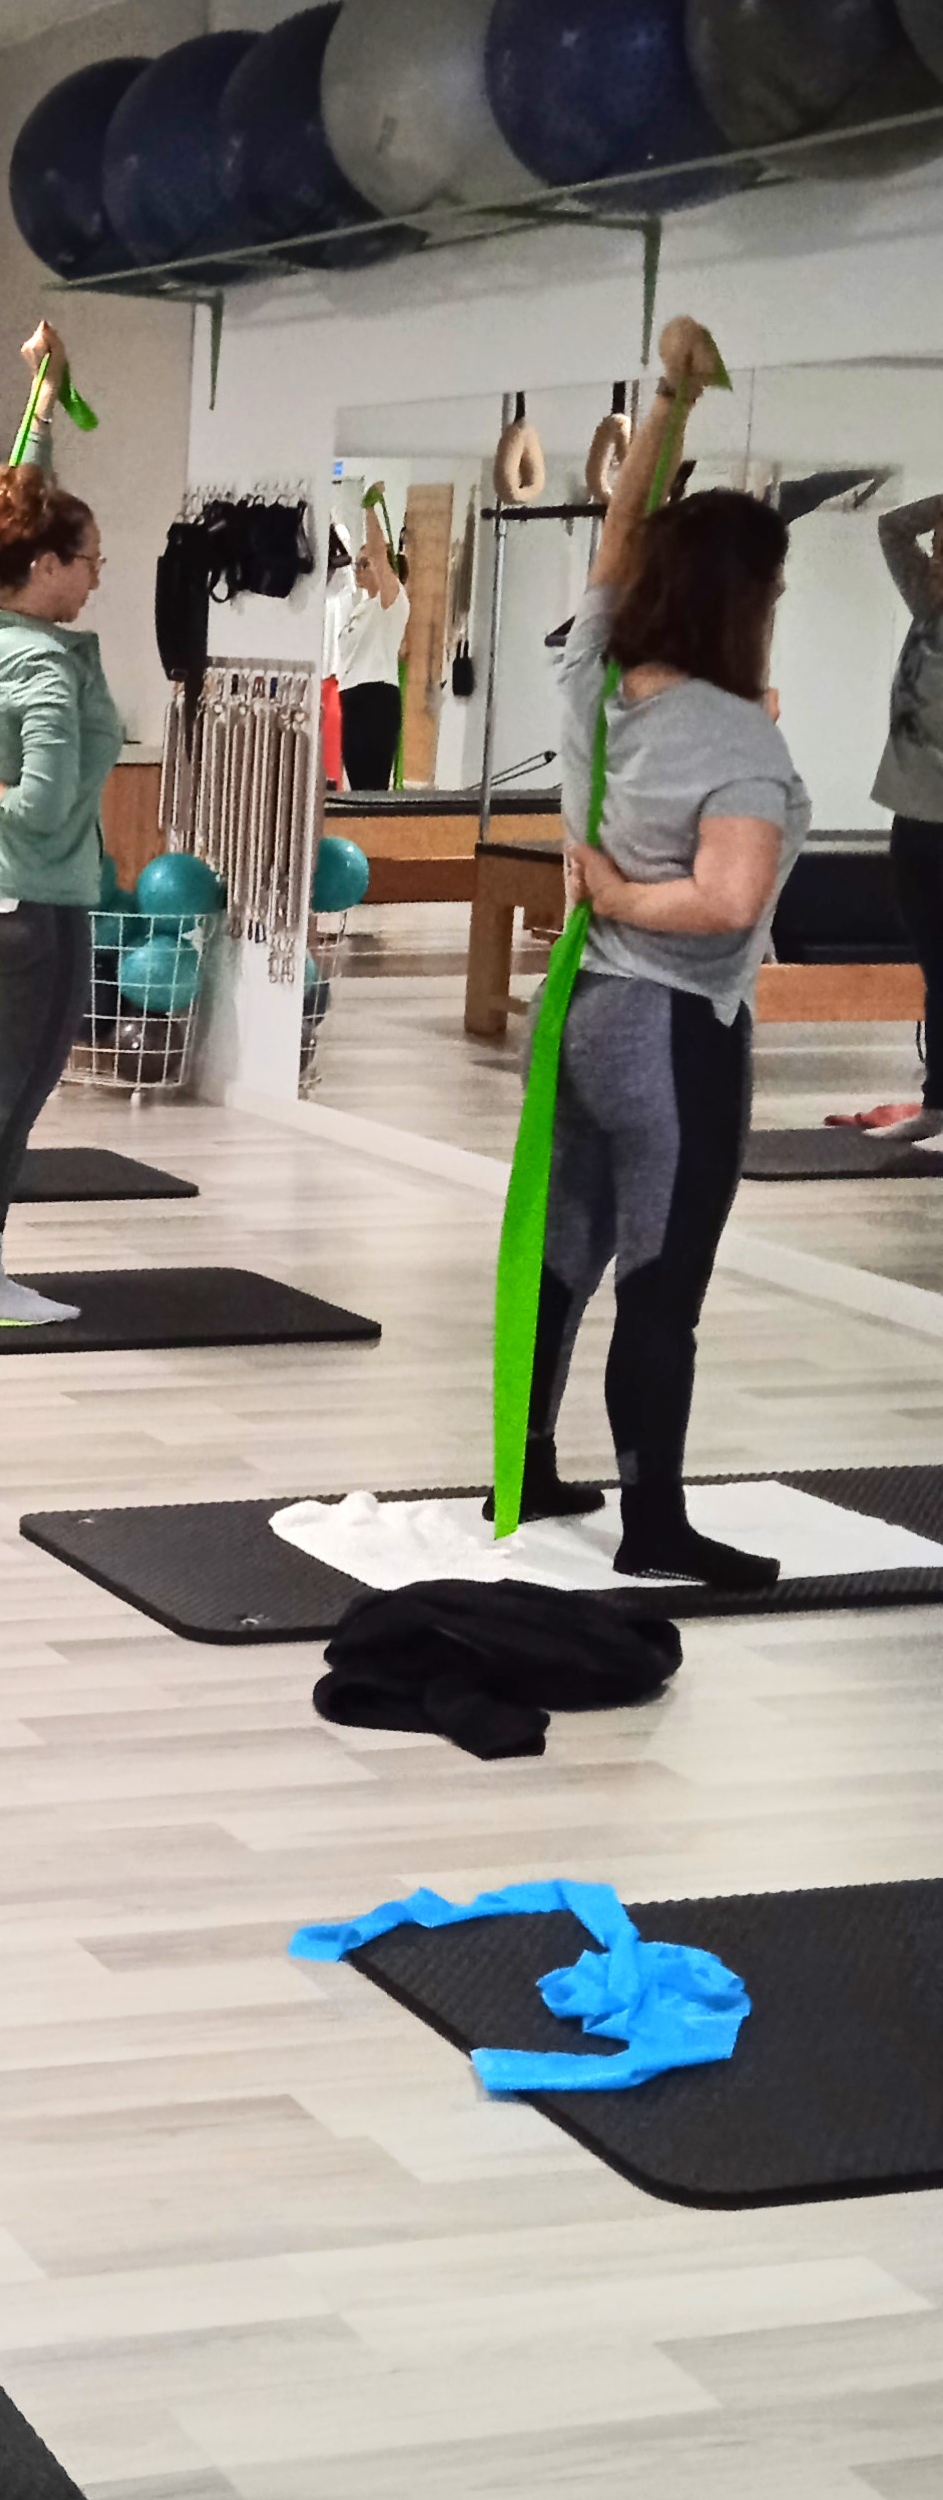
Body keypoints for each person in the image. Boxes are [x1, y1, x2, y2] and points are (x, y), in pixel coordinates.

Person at [517, 314, 809, 1585]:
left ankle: (525, 1462)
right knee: (662, 1278)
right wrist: (628, 897)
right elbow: (729, 900)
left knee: (565, 1247)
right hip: (674, 1026)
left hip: (579, 1011)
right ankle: (654, 1526)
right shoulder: (736, 737)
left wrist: (670, 407)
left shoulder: (595, 670)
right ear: (746, 604)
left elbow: (618, 534)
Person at [0, 340, 121, 1323]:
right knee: (13, 1096)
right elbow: (42, 804)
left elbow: (12, 512)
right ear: (44, 567)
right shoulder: (45, 668)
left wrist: (42, 403)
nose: (96, 579)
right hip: (40, 907)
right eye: (88, 563)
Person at [832, 490, 943, 1141]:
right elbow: (894, 528)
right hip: (914, 818)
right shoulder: (929, 611)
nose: (937, 555)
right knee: (936, 969)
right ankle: (937, 1108)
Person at [331, 501, 407, 791]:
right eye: (357, 564)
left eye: (365, 564)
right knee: (357, 785)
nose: (358, 570)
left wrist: (369, 508)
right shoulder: (361, 608)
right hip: (352, 698)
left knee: (372, 787)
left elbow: (378, 552)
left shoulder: (392, 602)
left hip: (377, 698)